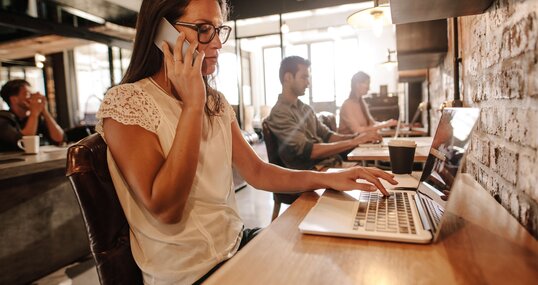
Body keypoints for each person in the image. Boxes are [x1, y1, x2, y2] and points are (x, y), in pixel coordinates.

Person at [95, 1, 397, 284]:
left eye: (218, 29)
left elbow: (258, 172)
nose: (216, 43)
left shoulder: (216, 102)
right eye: (203, 29)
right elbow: (166, 209)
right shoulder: (127, 102)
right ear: (163, 32)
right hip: (189, 273)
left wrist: (328, 178)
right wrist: (192, 105)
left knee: (343, 259)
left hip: (237, 244)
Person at [265, 56, 382, 171]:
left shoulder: (305, 109)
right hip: (311, 173)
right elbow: (308, 151)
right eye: (304, 77)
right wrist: (354, 142)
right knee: (372, 176)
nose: (308, 83)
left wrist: (357, 137)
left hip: (329, 165)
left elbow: (328, 136)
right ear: (288, 77)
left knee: (376, 174)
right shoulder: (280, 113)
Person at [0, 79, 64, 151]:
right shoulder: (3, 119)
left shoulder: (32, 118)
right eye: (28, 94)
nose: (31, 98)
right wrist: (34, 113)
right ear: (14, 99)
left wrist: (44, 111)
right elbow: (24, 143)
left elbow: (59, 139)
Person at [338, 71, 398, 135]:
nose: (369, 88)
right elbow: (357, 131)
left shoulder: (362, 102)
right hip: (350, 142)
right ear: (357, 84)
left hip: (362, 141)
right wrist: (384, 124)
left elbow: (372, 124)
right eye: (367, 84)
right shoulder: (347, 105)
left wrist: (388, 124)